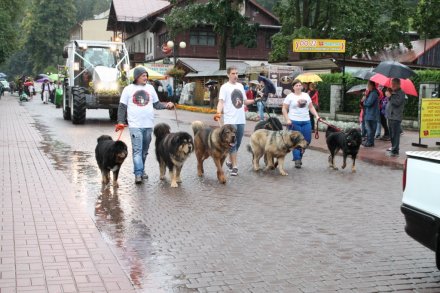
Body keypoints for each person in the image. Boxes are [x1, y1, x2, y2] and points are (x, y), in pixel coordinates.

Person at [115, 66, 174, 184]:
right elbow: (122, 107)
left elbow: (156, 104)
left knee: (144, 151)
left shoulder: (151, 88)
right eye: (143, 75)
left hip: (148, 125)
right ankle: (138, 174)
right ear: (137, 77)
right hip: (135, 125)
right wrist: (120, 121)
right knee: (137, 150)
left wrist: (166, 105)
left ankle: (141, 171)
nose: (146, 78)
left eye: (146, 75)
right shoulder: (128, 89)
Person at [214, 66, 255, 176]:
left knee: (238, 143)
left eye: (237, 73)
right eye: (233, 73)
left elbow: (244, 101)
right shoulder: (224, 87)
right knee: (233, 143)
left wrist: (256, 100)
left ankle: (229, 161)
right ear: (228, 75)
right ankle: (235, 166)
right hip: (230, 120)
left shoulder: (241, 86)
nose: (235, 75)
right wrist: (218, 113)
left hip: (241, 119)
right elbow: (221, 102)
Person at [282, 79, 320, 168]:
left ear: (302, 86)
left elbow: (311, 107)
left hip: (306, 121)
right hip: (294, 121)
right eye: (296, 85)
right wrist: (287, 119)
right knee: (296, 141)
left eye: (300, 85)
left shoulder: (306, 95)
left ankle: (299, 156)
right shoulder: (290, 96)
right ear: (293, 87)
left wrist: (317, 116)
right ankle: (297, 159)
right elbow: (284, 108)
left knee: (307, 141)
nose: (298, 87)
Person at [385, 78, 406, 157]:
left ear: (398, 84)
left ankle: (395, 150)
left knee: (395, 134)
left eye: (394, 84)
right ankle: (393, 147)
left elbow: (397, 103)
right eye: (392, 84)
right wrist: (389, 94)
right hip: (390, 116)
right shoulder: (393, 92)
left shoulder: (401, 93)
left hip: (396, 117)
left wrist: (390, 96)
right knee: (391, 134)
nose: (392, 85)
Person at [362, 81, 380, 147]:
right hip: (372, 114)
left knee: (369, 129)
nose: (367, 87)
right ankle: (370, 142)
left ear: (372, 85)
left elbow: (368, 103)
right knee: (372, 129)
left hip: (370, 114)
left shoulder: (373, 94)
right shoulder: (373, 93)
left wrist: (364, 100)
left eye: (368, 85)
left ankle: (369, 142)